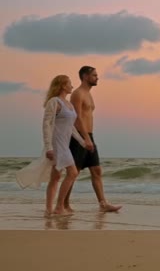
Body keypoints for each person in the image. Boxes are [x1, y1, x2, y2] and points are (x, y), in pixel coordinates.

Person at [16, 75, 86, 216]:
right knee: (72, 172)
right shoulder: (54, 102)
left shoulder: (69, 105)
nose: (72, 86)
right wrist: (48, 147)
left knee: (55, 177)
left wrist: (82, 141)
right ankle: (59, 207)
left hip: (65, 144)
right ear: (62, 86)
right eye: (70, 84)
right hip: (56, 143)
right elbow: (46, 124)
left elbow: (71, 127)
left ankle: (49, 210)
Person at [63, 66, 121, 213]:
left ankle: (103, 204)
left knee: (96, 170)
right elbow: (77, 118)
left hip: (89, 135)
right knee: (73, 173)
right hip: (79, 137)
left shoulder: (88, 94)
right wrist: (86, 139)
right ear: (85, 76)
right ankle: (64, 204)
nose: (97, 78)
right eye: (94, 75)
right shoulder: (77, 94)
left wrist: (89, 137)